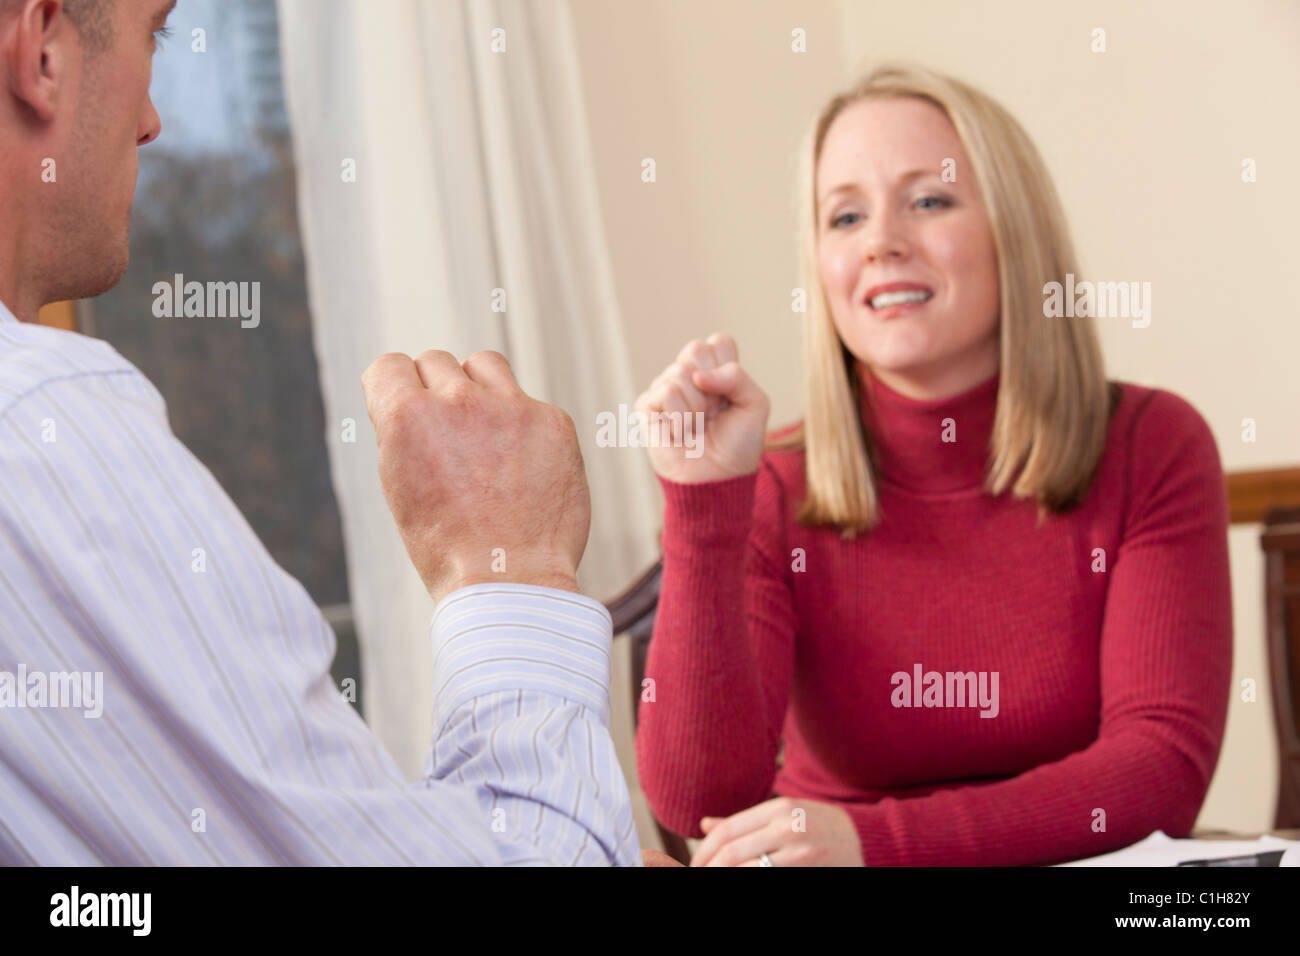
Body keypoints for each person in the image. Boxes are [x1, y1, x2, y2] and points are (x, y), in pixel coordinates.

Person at [0, 0, 644, 865]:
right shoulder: (39, 426)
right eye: (155, 33)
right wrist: (511, 565)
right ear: (41, 50)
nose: (152, 122)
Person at [634, 64, 1232, 867]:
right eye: (845, 216)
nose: (882, 241)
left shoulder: (1152, 445)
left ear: (1014, 232)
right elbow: (702, 807)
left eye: (929, 200)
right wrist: (705, 508)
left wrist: (879, 843)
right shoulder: (777, 484)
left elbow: (1162, 766)